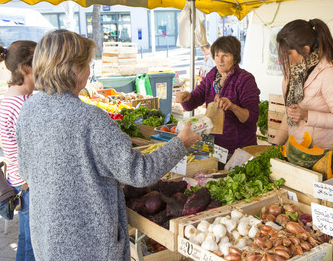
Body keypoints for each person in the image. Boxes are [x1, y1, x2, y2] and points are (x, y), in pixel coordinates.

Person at [15, 30, 201, 261]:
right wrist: (181, 143)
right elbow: (139, 172)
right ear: (74, 68)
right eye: (88, 64)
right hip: (88, 244)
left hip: (46, 237)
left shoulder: (29, 110)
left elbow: (25, 171)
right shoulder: (90, 118)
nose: (90, 71)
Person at [272, 19, 333, 149]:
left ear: (305, 50)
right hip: (294, 149)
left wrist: (306, 115)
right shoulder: (293, 71)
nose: (286, 59)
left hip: (320, 152)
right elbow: (289, 114)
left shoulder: (330, 73)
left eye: (289, 54)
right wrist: (275, 144)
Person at [176, 36, 260, 155]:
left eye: (225, 55)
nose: (220, 60)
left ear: (235, 57)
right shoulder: (212, 76)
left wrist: (232, 106)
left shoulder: (245, 80)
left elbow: (251, 118)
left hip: (238, 149)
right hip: (213, 147)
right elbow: (193, 101)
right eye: (217, 55)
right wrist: (187, 97)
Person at [0, 40, 37, 261]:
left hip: (19, 178)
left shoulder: (14, 97)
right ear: (25, 68)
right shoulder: (22, 103)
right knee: (33, 244)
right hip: (27, 183)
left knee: (25, 239)